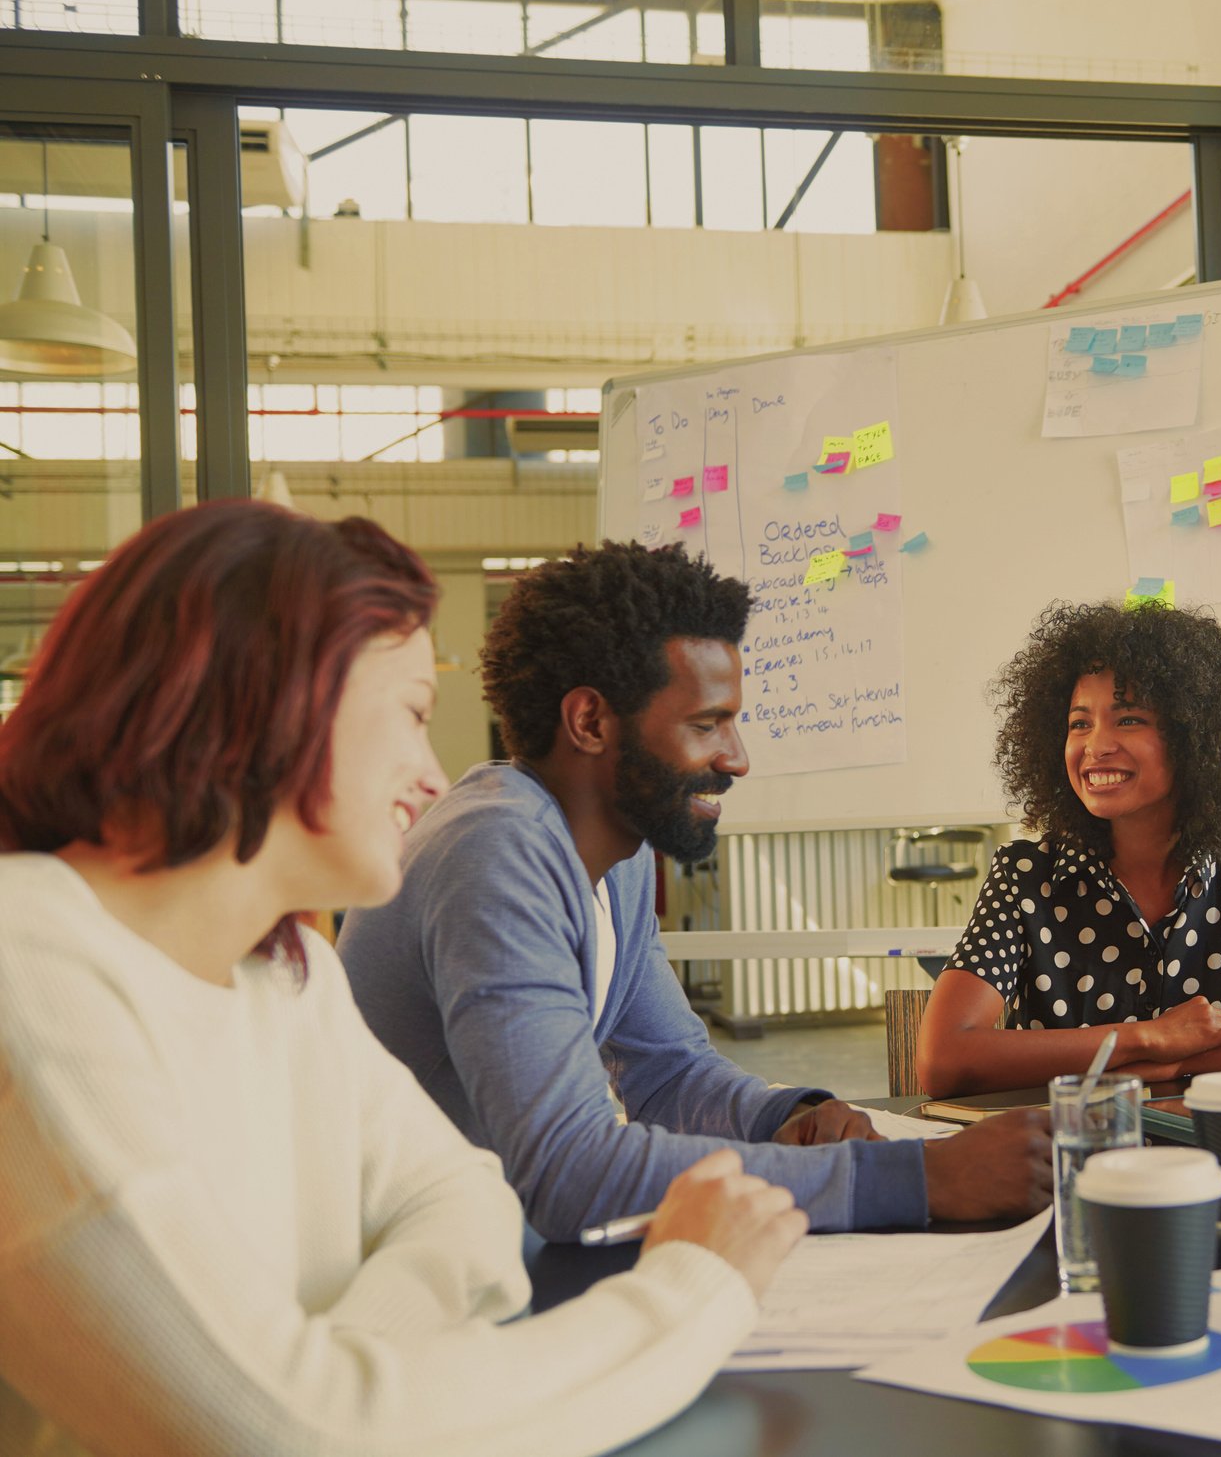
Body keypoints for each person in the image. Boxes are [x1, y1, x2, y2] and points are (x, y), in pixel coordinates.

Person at [0, 502, 805, 1457]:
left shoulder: (279, 970)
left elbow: (464, 1201)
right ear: (271, 705)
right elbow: (293, 1430)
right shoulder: (32, 968)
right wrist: (694, 1289)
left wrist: (336, 1370)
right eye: (414, 715)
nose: (431, 776)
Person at [338, 542, 1048, 1241]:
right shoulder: (497, 850)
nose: (737, 758)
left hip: (480, 1253)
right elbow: (568, 1173)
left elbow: (668, 1071)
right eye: (706, 724)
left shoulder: (616, 856)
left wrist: (786, 1117)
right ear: (590, 722)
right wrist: (919, 1179)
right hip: (406, 1282)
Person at [916, 600, 1221, 1097]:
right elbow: (943, 1060)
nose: (1096, 745)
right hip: (1067, 1156)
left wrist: (1181, 1066)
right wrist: (1148, 1038)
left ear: (1197, 738)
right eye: (1079, 723)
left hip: (1206, 1162)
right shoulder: (1027, 875)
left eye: (1128, 720)